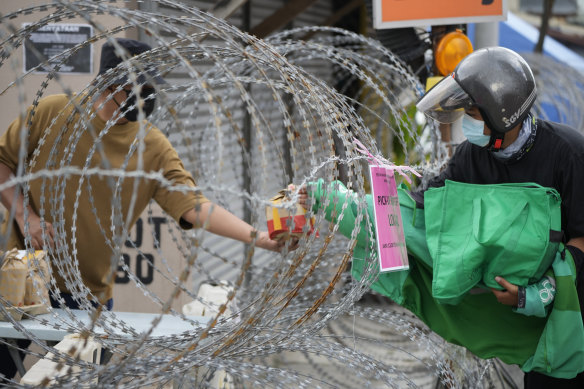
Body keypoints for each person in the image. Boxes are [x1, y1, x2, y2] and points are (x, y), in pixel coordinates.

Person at [0, 38, 288, 383]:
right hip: (20, 286)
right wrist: (24, 215)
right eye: (139, 85)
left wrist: (259, 238)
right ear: (109, 83)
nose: (148, 95)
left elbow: (195, 206)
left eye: (151, 86)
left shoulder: (152, 147)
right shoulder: (53, 112)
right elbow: (3, 160)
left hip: (87, 295)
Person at [415, 46, 584, 388]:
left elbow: (582, 235)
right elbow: (428, 204)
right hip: (532, 336)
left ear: (501, 113)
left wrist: (544, 291)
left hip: (574, 315)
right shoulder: (471, 157)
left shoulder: (567, 154)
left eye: (473, 112)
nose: (468, 121)